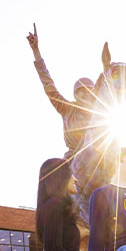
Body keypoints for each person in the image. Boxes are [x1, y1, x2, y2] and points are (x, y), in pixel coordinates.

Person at [26, 23, 94, 159]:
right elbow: (49, 86)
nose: (86, 93)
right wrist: (36, 52)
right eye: (82, 90)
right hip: (72, 160)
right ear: (75, 95)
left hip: (97, 163)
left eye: (89, 91)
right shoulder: (67, 109)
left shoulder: (103, 114)